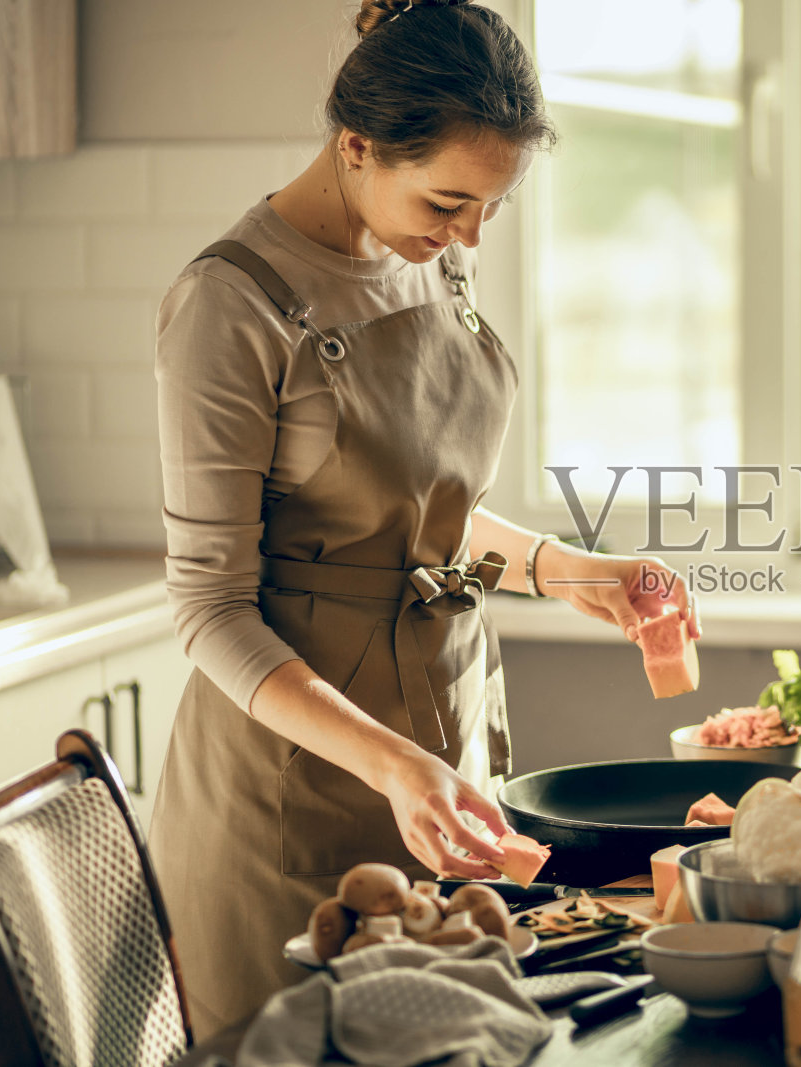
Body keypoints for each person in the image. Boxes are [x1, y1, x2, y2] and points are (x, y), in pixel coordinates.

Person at [148, 0, 698, 1037]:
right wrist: (392, 761)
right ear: (355, 146)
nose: (468, 233)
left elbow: (418, 516)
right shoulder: (232, 304)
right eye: (449, 201)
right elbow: (209, 608)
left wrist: (583, 574)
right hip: (291, 794)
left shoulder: (437, 252)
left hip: (445, 769)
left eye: (489, 206)